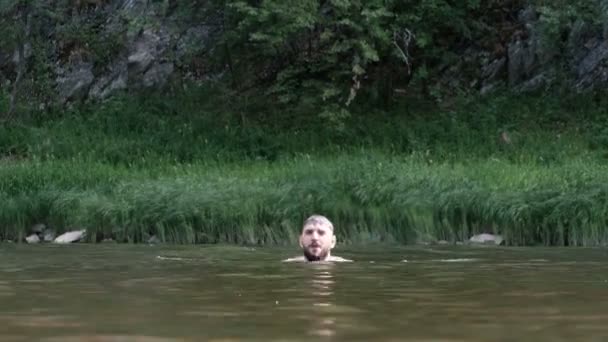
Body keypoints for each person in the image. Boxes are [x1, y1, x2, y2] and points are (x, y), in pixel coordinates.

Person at [283, 215, 352, 262]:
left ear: (332, 242)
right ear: (301, 241)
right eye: (309, 232)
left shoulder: (346, 265)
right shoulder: (288, 264)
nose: (314, 238)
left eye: (321, 233)